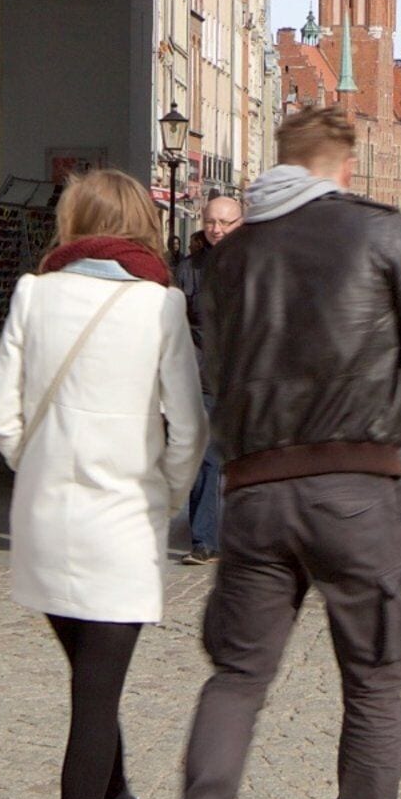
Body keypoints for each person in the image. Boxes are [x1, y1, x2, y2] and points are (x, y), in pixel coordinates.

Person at [163, 106, 401, 799]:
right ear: (340, 165)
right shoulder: (379, 232)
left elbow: (215, 371)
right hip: (357, 486)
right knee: (371, 674)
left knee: (238, 674)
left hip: (257, 491)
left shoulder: (233, 257)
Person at [0, 169, 205, 799]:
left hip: (46, 517)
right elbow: (190, 425)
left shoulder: (35, 294)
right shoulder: (160, 306)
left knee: (89, 677)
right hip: (120, 520)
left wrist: (37, 466)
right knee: (95, 693)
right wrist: (165, 494)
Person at [174, 187, 246, 563]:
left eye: (224, 222)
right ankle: (204, 540)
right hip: (204, 376)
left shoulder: (259, 265)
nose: (216, 229)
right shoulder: (189, 269)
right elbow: (176, 324)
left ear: (241, 223)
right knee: (205, 457)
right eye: (210, 222)